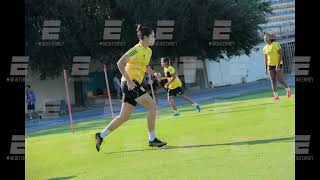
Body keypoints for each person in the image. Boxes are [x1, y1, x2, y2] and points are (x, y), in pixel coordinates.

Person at [95, 25, 167, 152]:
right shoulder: (136, 50)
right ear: (145, 38)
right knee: (152, 107)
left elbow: (145, 67)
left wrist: (154, 73)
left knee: (124, 117)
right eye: (153, 36)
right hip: (130, 84)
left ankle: (100, 136)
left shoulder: (148, 51)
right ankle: (152, 140)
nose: (154, 38)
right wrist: (129, 81)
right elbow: (120, 63)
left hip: (133, 85)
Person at [263, 33, 291, 101]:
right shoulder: (265, 47)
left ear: (270, 38)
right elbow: (266, 58)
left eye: (266, 37)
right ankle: (276, 96)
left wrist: (278, 65)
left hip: (278, 64)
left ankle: (288, 89)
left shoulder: (276, 44)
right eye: (264, 38)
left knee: (280, 80)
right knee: (273, 80)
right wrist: (266, 68)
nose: (265, 39)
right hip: (270, 65)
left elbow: (281, 54)